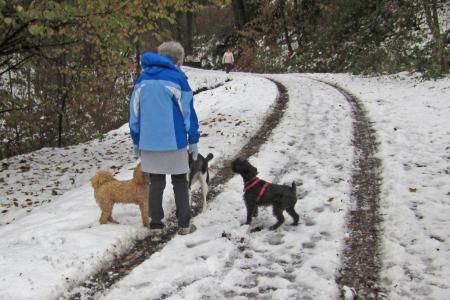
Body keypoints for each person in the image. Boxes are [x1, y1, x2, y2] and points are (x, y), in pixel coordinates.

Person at [129, 41, 199, 235]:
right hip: (174, 141)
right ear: (178, 60)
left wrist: (136, 139)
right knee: (179, 181)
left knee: (156, 182)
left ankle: (156, 224)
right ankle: (184, 225)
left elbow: (134, 114)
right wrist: (193, 139)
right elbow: (188, 113)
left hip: (149, 143)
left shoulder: (142, 80)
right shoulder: (178, 79)